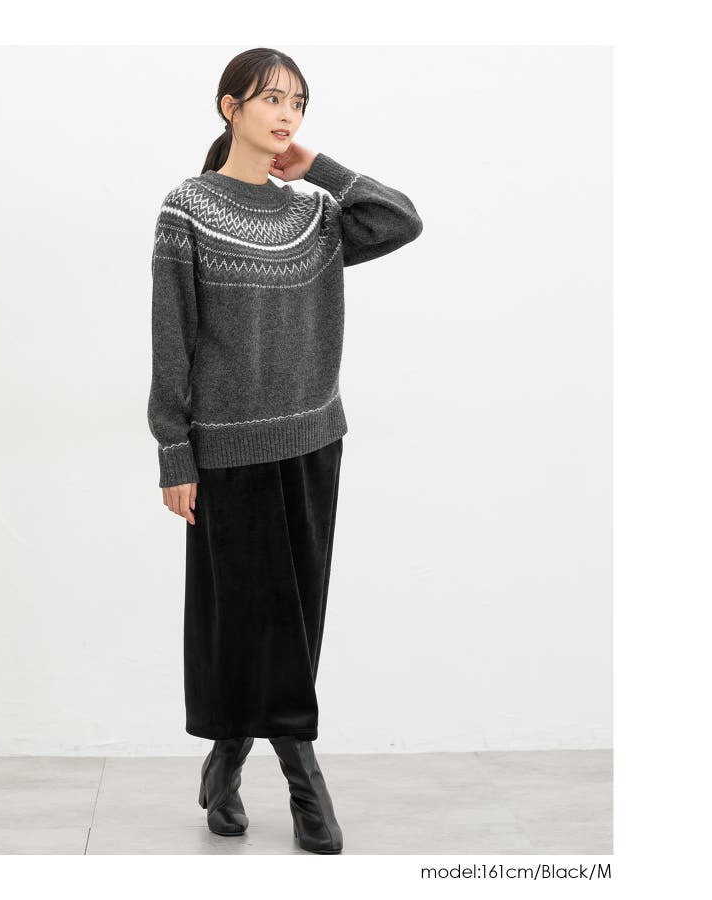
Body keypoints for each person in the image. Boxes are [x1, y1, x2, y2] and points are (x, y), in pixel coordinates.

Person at [146, 47, 423, 854]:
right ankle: (303, 777)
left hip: (312, 439)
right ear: (229, 106)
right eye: (271, 99)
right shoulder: (187, 208)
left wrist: (319, 168)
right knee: (239, 617)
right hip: (226, 451)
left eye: (297, 103)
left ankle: (227, 760)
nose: (286, 114)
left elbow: (400, 220)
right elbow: (172, 338)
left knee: (296, 616)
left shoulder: (315, 217)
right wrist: (174, 452)